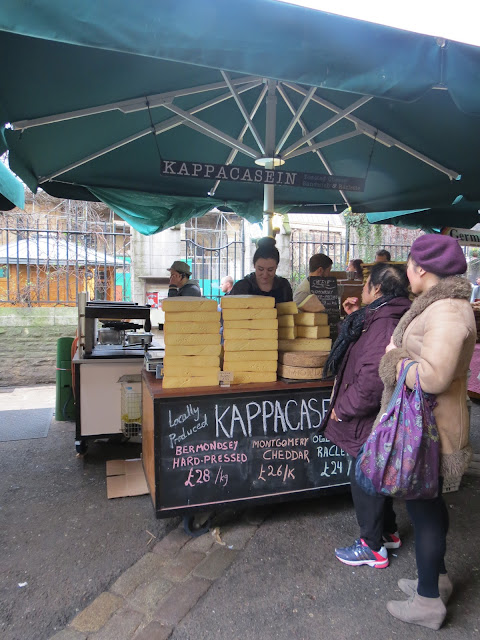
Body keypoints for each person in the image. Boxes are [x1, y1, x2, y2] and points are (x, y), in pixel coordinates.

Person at [379, 234, 475, 630]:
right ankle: (435, 580)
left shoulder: (447, 312)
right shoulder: (441, 306)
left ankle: (428, 602)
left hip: (429, 431)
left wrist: (394, 358)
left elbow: (433, 376)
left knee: (424, 511)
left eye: (409, 265)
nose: (406, 272)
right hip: (425, 426)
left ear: (421, 269)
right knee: (429, 507)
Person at [321, 263, 411, 569]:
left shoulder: (384, 324)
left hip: (369, 418)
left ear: (376, 288)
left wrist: (342, 409)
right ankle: (388, 533)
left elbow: (372, 380)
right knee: (376, 474)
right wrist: (353, 317)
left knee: (364, 478)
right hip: (381, 416)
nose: (361, 291)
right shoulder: (389, 316)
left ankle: (372, 547)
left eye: (364, 286)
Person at [230, 237, 293, 303]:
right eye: (260, 269)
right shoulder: (241, 287)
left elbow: (290, 310)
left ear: (276, 267)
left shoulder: (284, 287)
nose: (265, 274)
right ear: (254, 265)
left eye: (270, 270)